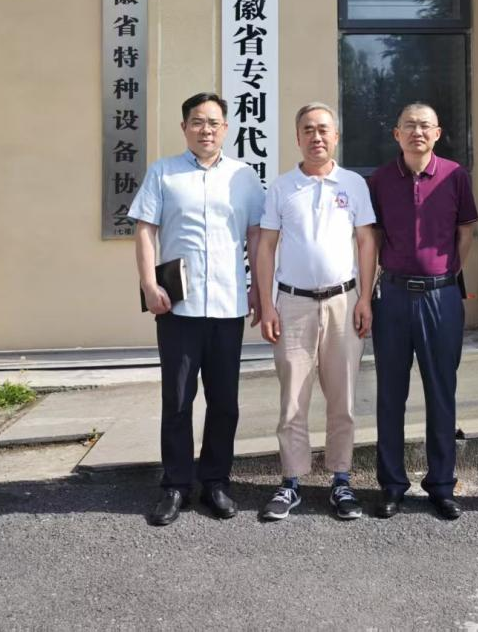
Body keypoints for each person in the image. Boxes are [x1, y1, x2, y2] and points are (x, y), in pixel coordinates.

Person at [130, 91, 265, 527]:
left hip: (228, 305)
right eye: (197, 122)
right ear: (184, 127)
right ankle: (175, 484)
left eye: (213, 122)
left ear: (226, 128)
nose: (206, 129)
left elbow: (256, 237)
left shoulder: (244, 177)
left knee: (225, 402)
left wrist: (260, 290)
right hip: (178, 308)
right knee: (178, 399)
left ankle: (216, 482)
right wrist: (149, 283)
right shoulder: (163, 172)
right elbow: (146, 230)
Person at [255, 103, 377, 521]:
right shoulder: (282, 187)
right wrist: (267, 304)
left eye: (324, 129)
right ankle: (291, 482)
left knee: (343, 398)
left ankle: (341, 480)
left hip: (344, 302)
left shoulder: (354, 184)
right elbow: (266, 247)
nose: (316, 136)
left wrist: (365, 298)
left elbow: (367, 243)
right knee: (292, 398)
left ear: (336, 136)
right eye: (308, 129)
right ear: (297, 137)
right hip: (292, 304)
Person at [368, 102, 478, 520]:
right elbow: (374, 238)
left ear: (437, 133)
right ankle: (392, 485)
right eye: (409, 125)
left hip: (440, 297)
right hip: (393, 296)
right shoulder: (380, 180)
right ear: (396, 134)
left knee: (441, 392)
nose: (417, 132)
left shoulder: (455, 175)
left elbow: (465, 231)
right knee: (390, 394)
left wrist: (447, 273)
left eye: (425, 126)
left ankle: (441, 485)